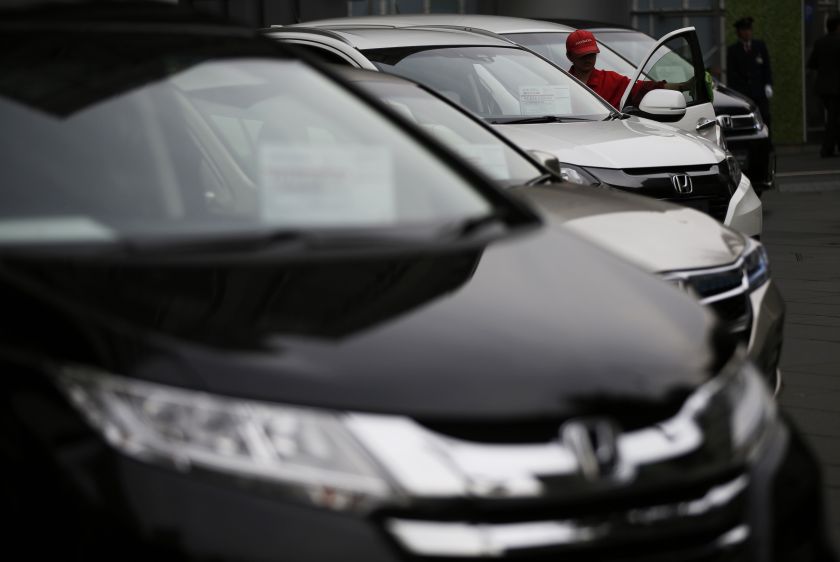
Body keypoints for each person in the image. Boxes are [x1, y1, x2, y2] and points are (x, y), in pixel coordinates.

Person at [565, 29, 692, 111]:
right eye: (582, 55)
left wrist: (685, 86)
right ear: (569, 56)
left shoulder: (611, 80)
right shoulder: (561, 84)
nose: (588, 59)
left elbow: (645, 88)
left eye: (591, 54)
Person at [726, 17, 773, 130]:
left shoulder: (760, 46)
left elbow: (766, 67)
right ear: (739, 32)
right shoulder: (733, 50)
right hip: (743, 94)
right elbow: (732, 74)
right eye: (744, 30)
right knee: (747, 121)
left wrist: (768, 84)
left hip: (760, 92)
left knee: (765, 118)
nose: (747, 32)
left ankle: (766, 140)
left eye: (749, 29)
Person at [807, 14, 840, 158]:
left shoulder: (820, 42)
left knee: (834, 117)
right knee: (833, 119)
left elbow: (812, 63)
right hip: (837, 88)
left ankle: (830, 147)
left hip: (823, 88)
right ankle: (827, 149)